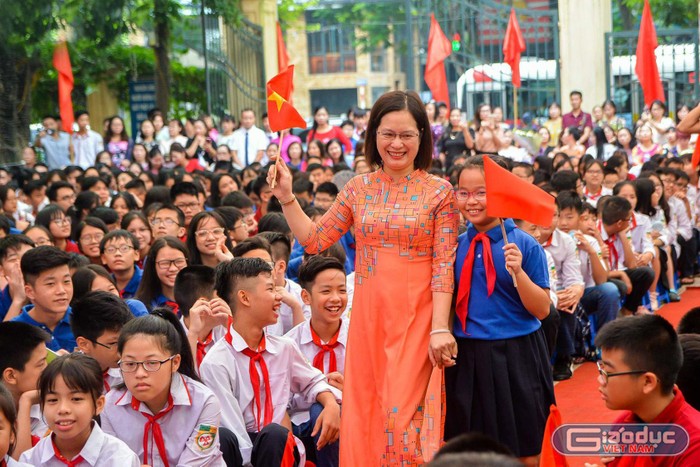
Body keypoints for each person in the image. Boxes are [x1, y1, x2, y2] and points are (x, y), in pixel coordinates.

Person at [268, 90, 459, 465]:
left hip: (417, 321)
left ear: (422, 137)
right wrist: (287, 197)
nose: (397, 143)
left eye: (407, 134)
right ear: (373, 136)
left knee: (404, 420)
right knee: (368, 415)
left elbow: (443, 265)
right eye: (388, 134)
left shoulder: (441, 193)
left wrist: (439, 327)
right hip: (369, 320)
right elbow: (315, 239)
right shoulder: (358, 188)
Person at [445, 156, 554, 464]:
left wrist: (518, 272)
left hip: (517, 354)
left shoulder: (524, 245)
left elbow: (543, 309)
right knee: (471, 450)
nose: (472, 201)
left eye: (481, 192)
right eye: (463, 192)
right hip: (468, 357)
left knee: (527, 449)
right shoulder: (454, 246)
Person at [199, 258, 341, 466]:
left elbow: (313, 381)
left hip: (277, 445)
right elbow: (232, 426)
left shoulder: (284, 347)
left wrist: (330, 403)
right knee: (224, 435)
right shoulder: (216, 361)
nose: (278, 297)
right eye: (270, 289)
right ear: (245, 298)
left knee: (275, 434)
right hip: (240, 453)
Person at [594, 315, 700, 466]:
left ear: (648, 382)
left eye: (608, 373)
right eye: (601, 369)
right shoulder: (623, 425)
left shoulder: (694, 446)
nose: (600, 380)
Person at [18, 353, 140, 466]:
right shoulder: (31, 460)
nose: (63, 409)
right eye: (52, 400)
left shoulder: (119, 459)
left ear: (98, 405)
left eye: (76, 399)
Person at [285, 256, 348, 467]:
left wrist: (346, 391)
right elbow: (282, 400)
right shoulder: (289, 344)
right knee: (319, 410)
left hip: (351, 422)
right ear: (306, 296)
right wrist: (324, 396)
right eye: (326, 291)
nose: (336, 299)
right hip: (300, 424)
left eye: (341, 290)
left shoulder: (360, 338)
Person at [11, 246, 75, 352]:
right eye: (50, 284)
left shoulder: (86, 322)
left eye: (66, 281)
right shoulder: (15, 332)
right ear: (30, 292)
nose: (62, 290)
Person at [0, 322, 51, 456]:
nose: (48, 369)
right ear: (11, 375)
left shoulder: (49, 406)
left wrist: (26, 403)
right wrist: (26, 402)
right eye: (41, 364)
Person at [173, 265, 231, 369]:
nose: (229, 302)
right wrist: (193, 334)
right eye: (223, 296)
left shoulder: (227, 329)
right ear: (203, 305)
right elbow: (183, 380)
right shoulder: (170, 339)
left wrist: (232, 327)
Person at [135, 237, 189, 313]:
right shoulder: (142, 308)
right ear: (153, 266)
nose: (173, 268)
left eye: (179, 261)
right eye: (165, 263)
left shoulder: (200, 299)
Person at [0, 235, 34, 322]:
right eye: (14, 259)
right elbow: (4, 335)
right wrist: (18, 300)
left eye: (27, 257)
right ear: (1, 270)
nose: (22, 263)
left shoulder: (47, 292)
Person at [99, 230, 142, 298]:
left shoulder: (147, 281)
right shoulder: (102, 285)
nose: (117, 254)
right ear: (103, 258)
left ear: (136, 254)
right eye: (111, 249)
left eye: (124, 248)